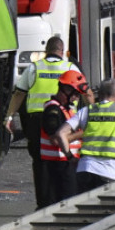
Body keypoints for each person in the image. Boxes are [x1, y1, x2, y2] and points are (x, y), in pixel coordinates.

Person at [4, 36, 77, 208]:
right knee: (66, 159)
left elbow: (19, 93)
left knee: (41, 161)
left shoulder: (34, 68)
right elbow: (85, 92)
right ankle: (66, 201)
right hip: (66, 119)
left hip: (38, 120)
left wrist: (9, 117)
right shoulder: (69, 67)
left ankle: (44, 203)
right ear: (61, 51)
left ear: (46, 52)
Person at [54, 77, 115, 194]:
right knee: (106, 210)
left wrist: (70, 157)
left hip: (85, 169)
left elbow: (60, 134)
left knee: (83, 208)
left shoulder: (87, 110)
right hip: (109, 172)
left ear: (99, 94)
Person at [37, 70, 89, 206]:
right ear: (66, 89)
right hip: (55, 167)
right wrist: (84, 133)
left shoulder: (66, 109)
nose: (77, 98)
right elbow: (55, 140)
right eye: (76, 93)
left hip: (66, 164)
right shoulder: (53, 111)